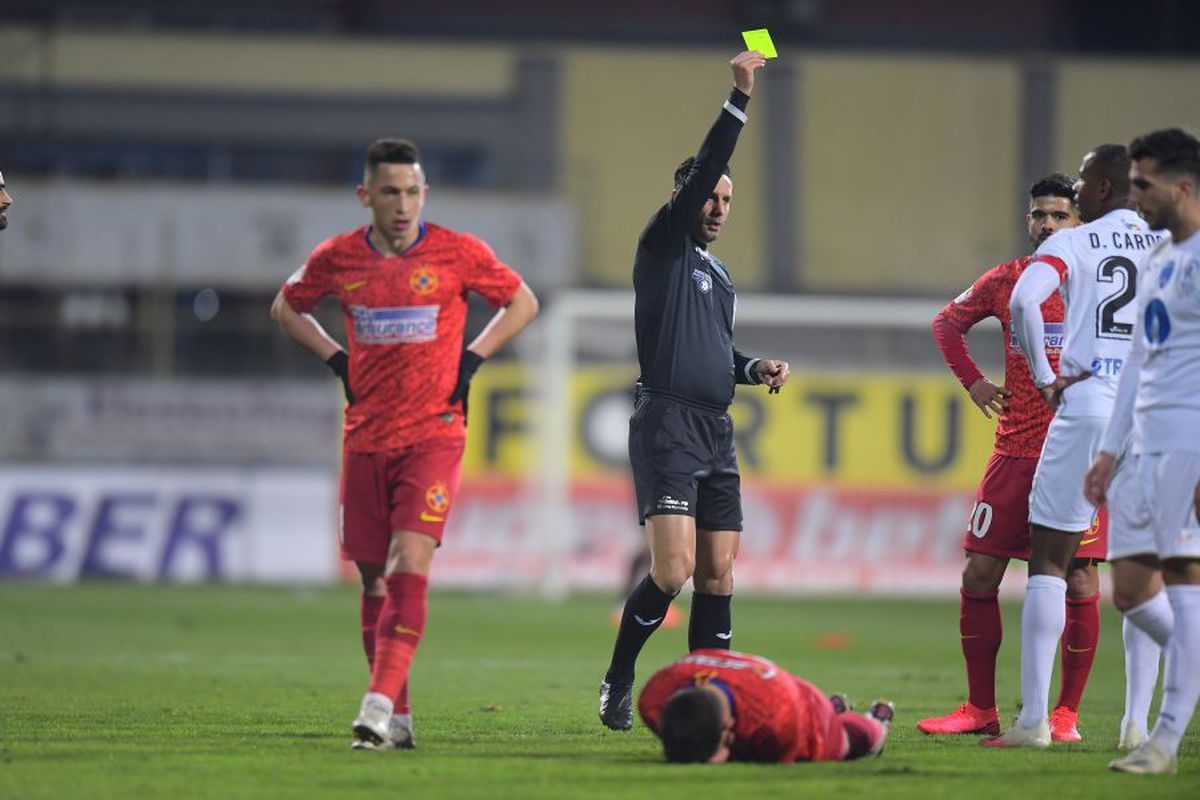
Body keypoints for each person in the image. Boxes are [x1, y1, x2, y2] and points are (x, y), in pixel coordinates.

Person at [270, 138, 539, 750]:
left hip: (434, 435)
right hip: (366, 439)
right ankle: (402, 720)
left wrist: (472, 360)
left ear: (425, 194)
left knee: (408, 564)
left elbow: (522, 302)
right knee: (372, 584)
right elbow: (286, 308)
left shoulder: (456, 252)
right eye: (390, 192)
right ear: (366, 196)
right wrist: (337, 359)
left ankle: (377, 701)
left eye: (413, 192)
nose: (403, 204)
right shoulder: (338, 258)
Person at [598, 51, 791, 731]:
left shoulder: (720, 275)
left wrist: (753, 367)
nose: (717, 207)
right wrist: (739, 97)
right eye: (709, 195)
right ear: (683, 197)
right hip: (667, 425)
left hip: (715, 426)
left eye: (727, 201)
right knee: (673, 569)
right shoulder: (661, 246)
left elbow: (716, 352)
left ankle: (709, 704)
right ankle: (620, 675)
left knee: (718, 576)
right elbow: (706, 167)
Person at [984, 144, 1161, 748]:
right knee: (1144, 568)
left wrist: (1042, 376)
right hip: (1154, 413)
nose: (1077, 194)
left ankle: (1034, 721)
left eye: (1085, 182)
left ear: (1105, 187)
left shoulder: (1073, 242)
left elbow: (1022, 300)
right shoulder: (1172, 240)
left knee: (1051, 562)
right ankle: (1137, 723)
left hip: (1088, 402)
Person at [921, 174, 1106, 742]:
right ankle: (981, 708)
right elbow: (947, 323)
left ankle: (1065, 715)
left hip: (1076, 449)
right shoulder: (1010, 279)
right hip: (1016, 451)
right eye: (1038, 215)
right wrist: (975, 382)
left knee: (1079, 580)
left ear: (1078, 223)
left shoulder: (1097, 281)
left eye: (1058, 216)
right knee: (979, 571)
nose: (1046, 225)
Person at [1083, 128, 1200, 774]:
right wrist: (1108, 449)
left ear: (1183, 187)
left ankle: (1166, 740)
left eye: (1142, 185)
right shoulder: (1156, 256)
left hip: (1190, 440)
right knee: (1129, 590)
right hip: (1142, 445)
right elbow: (1135, 358)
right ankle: (1194, 658)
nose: (1132, 196)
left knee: (1183, 579)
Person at [638, 650, 893, 763]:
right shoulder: (654, 698)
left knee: (847, 742)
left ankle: (875, 721)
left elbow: (737, 757)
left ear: (729, 727)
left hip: (805, 710)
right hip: (765, 686)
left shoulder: (777, 722)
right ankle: (835, 704)